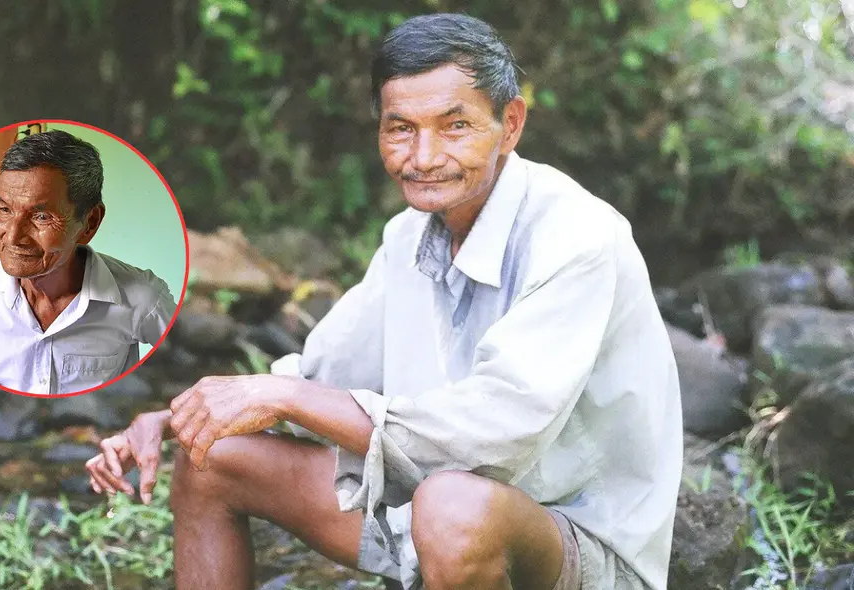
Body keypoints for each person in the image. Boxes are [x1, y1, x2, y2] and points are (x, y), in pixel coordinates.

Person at [86, 13, 682, 590]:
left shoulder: (577, 234)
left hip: (578, 546)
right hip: (436, 506)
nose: (422, 157)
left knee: (452, 507)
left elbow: (495, 437)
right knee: (212, 456)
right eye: (401, 128)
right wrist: (176, 419)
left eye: (455, 127)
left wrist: (288, 397)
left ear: (512, 123)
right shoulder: (409, 237)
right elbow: (321, 376)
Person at [0, 130, 176, 395]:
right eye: (4, 210)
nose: (13, 236)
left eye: (41, 217)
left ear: (90, 223)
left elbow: (188, 374)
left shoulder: (141, 296)